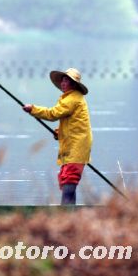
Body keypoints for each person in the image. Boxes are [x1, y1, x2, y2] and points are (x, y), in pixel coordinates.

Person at [23, 68, 92, 205]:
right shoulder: (71, 98)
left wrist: (33, 109)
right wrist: (60, 132)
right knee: (66, 178)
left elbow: (52, 114)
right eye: (63, 80)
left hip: (77, 145)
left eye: (67, 80)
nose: (63, 83)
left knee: (70, 178)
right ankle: (68, 212)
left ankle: (65, 213)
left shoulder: (72, 99)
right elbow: (73, 123)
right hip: (73, 143)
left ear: (73, 84)